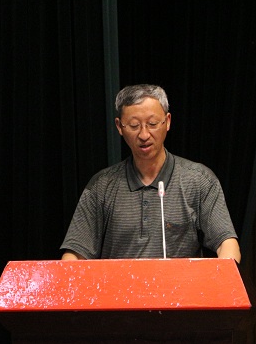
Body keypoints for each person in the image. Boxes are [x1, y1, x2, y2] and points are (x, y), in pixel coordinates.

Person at [60, 84, 240, 262]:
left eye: (152, 124)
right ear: (119, 126)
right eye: (134, 125)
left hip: (177, 282)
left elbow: (227, 243)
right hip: (120, 282)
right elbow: (74, 255)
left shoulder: (199, 180)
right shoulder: (101, 186)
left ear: (167, 121)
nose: (144, 135)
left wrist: (224, 271)